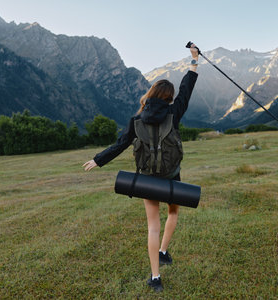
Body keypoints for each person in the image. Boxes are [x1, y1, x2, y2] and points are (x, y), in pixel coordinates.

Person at [83, 44, 199, 292]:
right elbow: (186, 91)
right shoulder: (174, 113)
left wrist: (98, 159)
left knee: (152, 226)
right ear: (168, 98)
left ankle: (155, 277)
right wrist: (194, 62)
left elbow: (120, 144)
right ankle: (164, 251)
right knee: (174, 213)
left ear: (152, 94)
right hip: (171, 174)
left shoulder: (136, 120)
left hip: (147, 179)